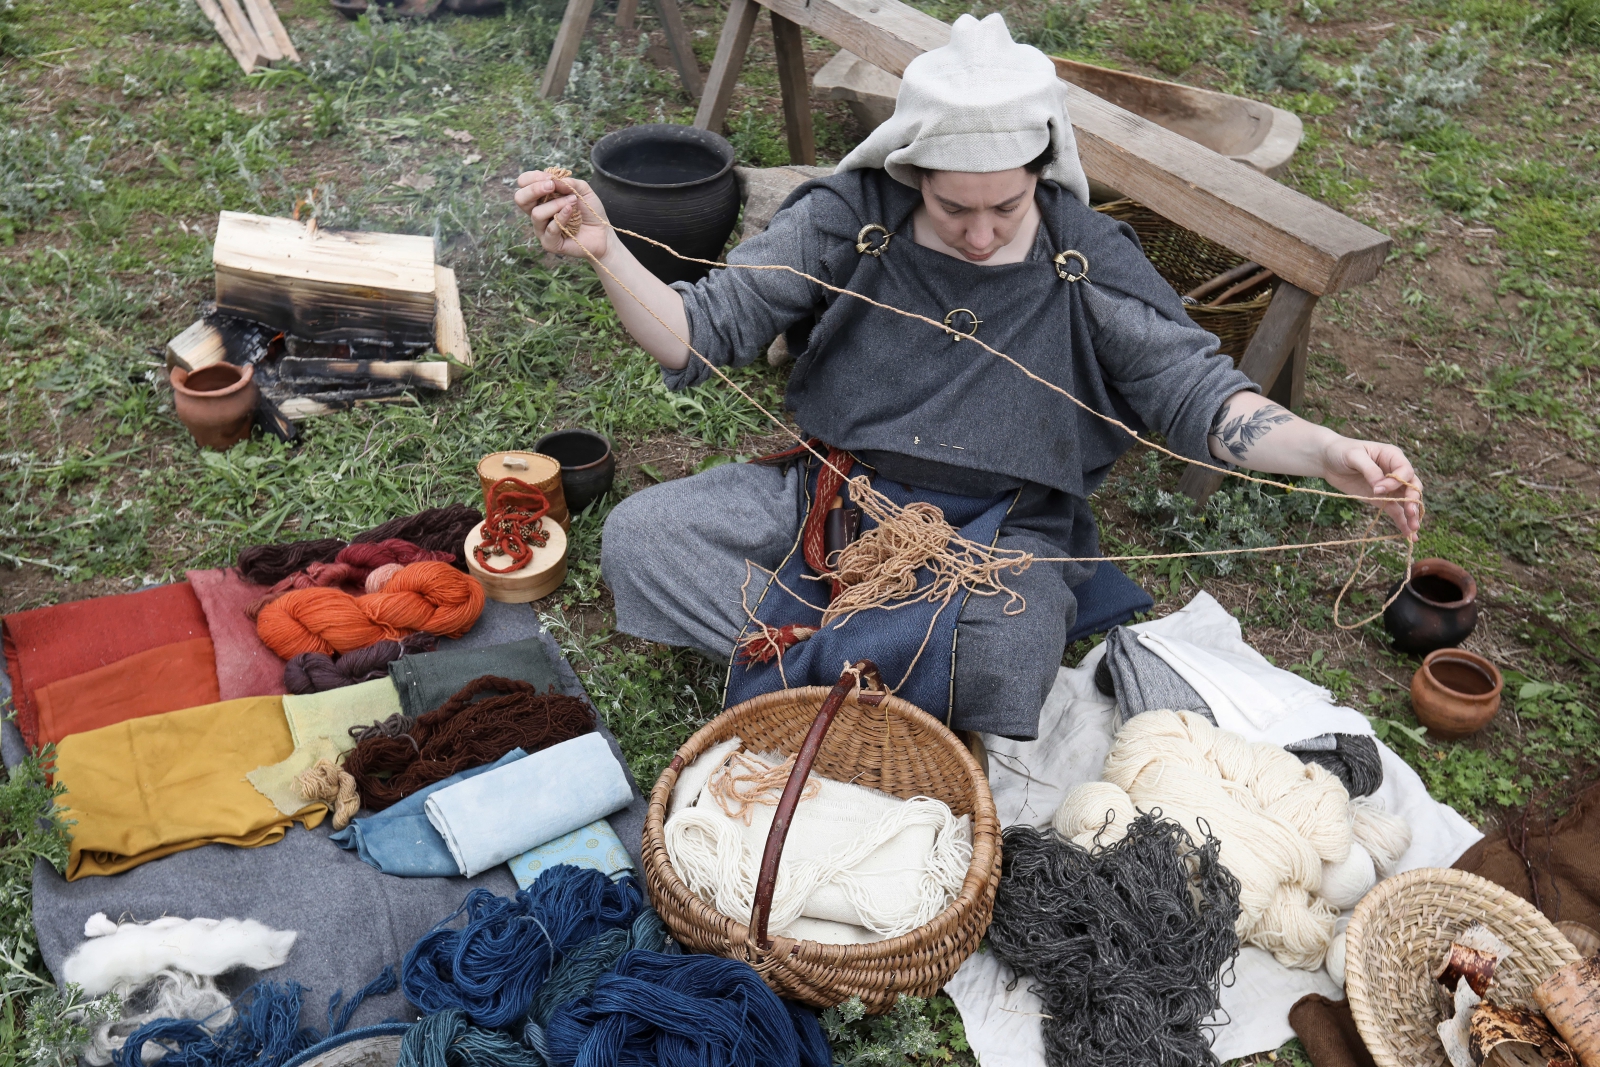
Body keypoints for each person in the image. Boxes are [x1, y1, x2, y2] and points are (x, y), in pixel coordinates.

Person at [512, 13, 1421, 740]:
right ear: (910, 168)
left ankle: (808, 672)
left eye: (1007, 206)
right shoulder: (849, 217)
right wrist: (605, 250)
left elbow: (1197, 393)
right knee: (643, 536)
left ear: (1040, 173)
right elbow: (697, 333)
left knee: (1010, 656)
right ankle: (871, 679)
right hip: (835, 501)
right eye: (954, 208)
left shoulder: (1082, 252)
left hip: (999, 536)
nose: (982, 234)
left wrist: (1326, 451)